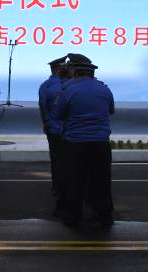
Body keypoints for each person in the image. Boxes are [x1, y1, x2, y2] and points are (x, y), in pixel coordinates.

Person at [55, 53, 115, 228]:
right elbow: (110, 110)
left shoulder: (68, 90)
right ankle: (103, 214)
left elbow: (59, 114)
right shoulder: (104, 89)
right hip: (101, 143)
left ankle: (74, 216)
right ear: (92, 74)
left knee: (75, 181)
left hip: (76, 143)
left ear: (76, 73)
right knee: (101, 181)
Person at [38, 56, 69, 206]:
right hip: (68, 130)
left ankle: (57, 187)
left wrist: (46, 124)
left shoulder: (45, 86)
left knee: (56, 160)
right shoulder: (70, 85)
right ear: (60, 69)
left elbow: (43, 108)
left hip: (53, 128)